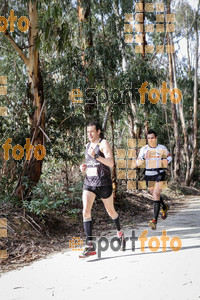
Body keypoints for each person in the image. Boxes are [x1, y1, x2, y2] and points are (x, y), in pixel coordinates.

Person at [79, 121, 126, 258]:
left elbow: (111, 163)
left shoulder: (103, 143)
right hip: (89, 183)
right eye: (88, 132)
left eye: (92, 131)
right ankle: (90, 246)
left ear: (98, 131)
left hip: (104, 183)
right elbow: (91, 163)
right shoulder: (87, 145)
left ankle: (119, 232)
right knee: (86, 211)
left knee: (111, 211)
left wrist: (96, 156)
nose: (89, 134)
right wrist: (84, 168)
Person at [136, 129, 172, 230]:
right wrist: (143, 158)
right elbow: (137, 163)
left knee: (156, 194)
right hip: (148, 174)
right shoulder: (144, 149)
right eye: (148, 138)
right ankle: (164, 207)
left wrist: (167, 160)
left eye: (152, 138)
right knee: (154, 194)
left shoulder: (161, 148)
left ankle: (154, 220)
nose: (150, 140)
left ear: (156, 138)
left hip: (159, 173)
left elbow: (169, 156)